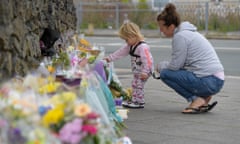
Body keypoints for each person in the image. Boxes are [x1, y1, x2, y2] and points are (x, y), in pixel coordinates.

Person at [155, 3, 224, 114]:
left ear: (171, 26)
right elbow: (182, 65)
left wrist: (160, 66)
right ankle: (204, 98)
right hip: (216, 79)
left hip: (209, 81)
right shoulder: (189, 32)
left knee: (165, 74)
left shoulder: (180, 37)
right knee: (176, 71)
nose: (161, 30)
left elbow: (175, 66)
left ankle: (196, 99)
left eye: (162, 27)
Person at [104, 22, 154, 108]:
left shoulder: (142, 47)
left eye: (126, 39)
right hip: (138, 71)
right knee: (134, 84)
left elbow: (148, 60)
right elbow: (120, 52)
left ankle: (139, 102)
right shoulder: (130, 45)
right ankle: (134, 100)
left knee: (139, 85)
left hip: (144, 71)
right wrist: (110, 58)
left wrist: (145, 71)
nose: (126, 42)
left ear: (133, 35)